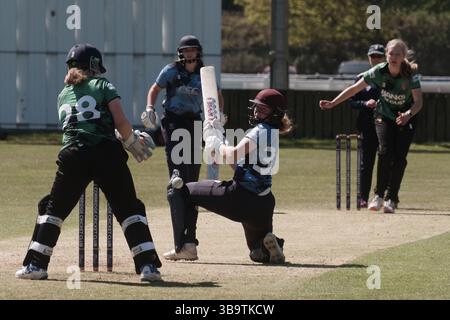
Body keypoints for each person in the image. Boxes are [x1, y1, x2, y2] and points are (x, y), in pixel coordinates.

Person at [15, 43, 162, 281]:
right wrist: (130, 140)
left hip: (73, 155)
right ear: (94, 66)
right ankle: (147, 267)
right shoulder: (103, 85)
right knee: (129, 209)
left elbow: (81, 125)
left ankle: (36, 265)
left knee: (54, 210)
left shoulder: (63, 93)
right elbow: (120, 121)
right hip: (106, 154)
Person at [163, 89, 292, 264]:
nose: (256, 111)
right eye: (257, 107)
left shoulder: (259, 131)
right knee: (256, 252)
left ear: (275, 113)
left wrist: (216, 141)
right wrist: (220, 138)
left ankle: (185, 246)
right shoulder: (273, 133)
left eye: (262, 109)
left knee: (179, 190)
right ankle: (265, 245)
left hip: (241, 197)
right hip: (264, 203)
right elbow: (238, 163)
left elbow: (232, 155)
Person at [320, 39, 423, 214]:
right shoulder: (379, 71)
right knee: (384, 151)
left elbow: (419, 101)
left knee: (399, 159)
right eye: (391, 53)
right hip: (384, 115)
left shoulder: (410, 74)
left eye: (398, 54)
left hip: (406, 117)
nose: (394, 57)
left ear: (404, 56)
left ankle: (391, 198)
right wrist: (333, 103)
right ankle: (378, 196)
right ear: (386, 55)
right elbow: (353, 90)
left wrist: (408, 114)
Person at [141, 35, 225, 244]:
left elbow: (217, 95)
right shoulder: (171, 70)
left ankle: (189, 236)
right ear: (181, 52)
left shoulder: (205, 74)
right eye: (186, 50)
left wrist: (219, 114)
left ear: (198, 52)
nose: (189, 54)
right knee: (178, 170)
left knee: (193, 173)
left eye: (192, 50)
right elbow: (155, 89)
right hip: (172, 120)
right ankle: (177, 184)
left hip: (194, 121)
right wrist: (150, 107)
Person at [348, 44, 385, 208]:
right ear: (369, 58)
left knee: (387, 161)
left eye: (379, 56)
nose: (375, 59)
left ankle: (384, 196)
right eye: (373, 56)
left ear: (384, 58)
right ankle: (363, 197)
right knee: (366, 163)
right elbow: (351, 101)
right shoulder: (361, 78)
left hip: (386, 124)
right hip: (367, 125)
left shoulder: (389, 77)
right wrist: (364, 103)